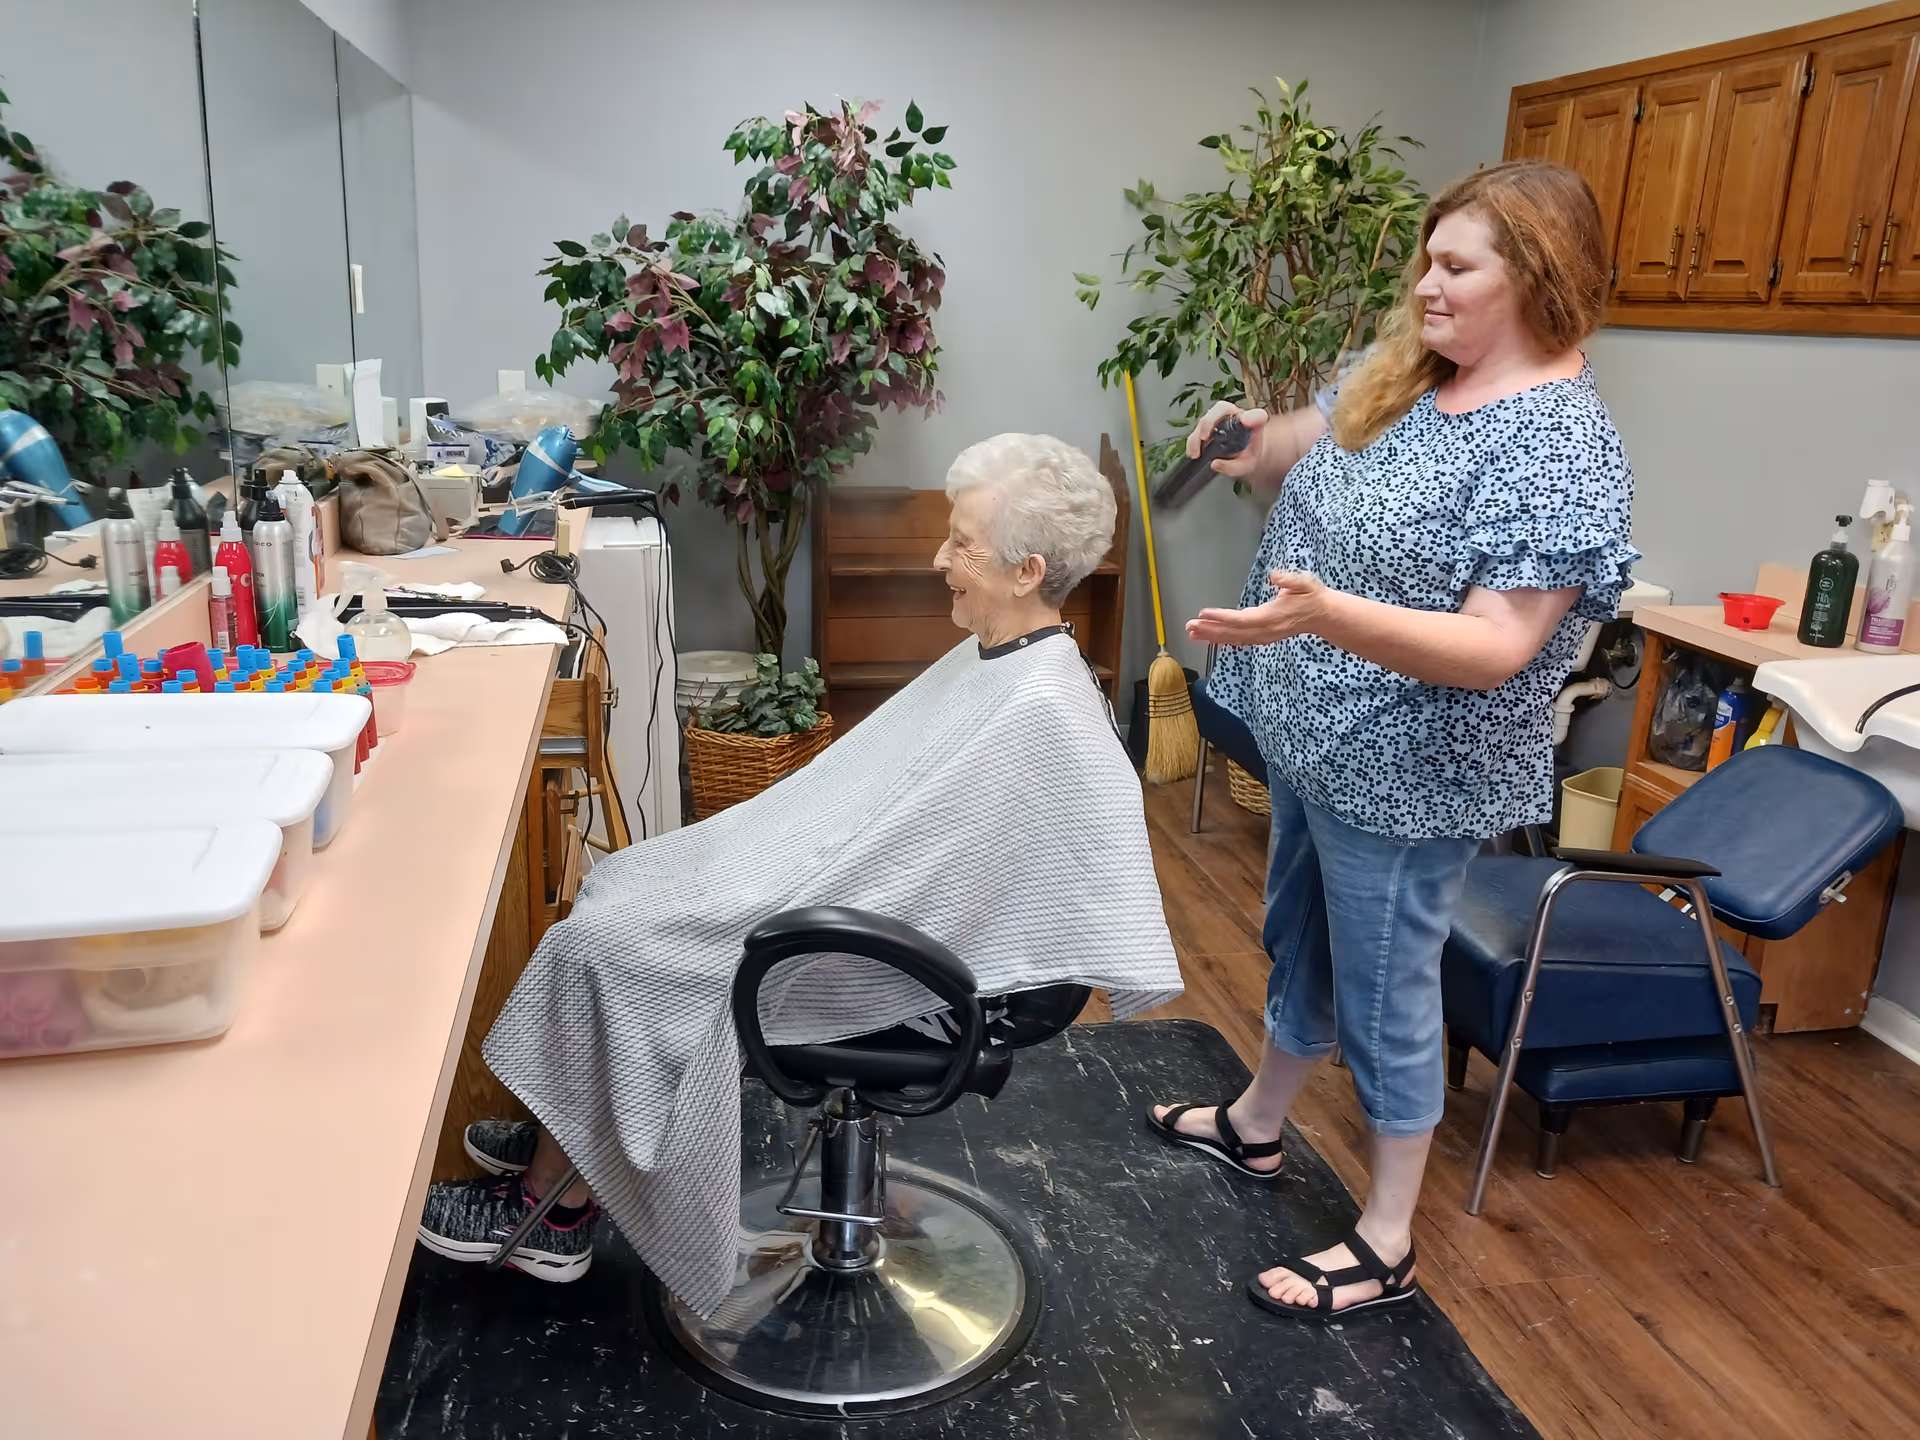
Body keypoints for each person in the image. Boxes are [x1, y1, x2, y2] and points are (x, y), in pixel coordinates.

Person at [417, 433, 1183, 1313]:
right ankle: (578, 1133)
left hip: (914, 976)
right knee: (621, 883)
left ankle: (554, 1221)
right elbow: (872, 817)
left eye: (962, 544)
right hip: (851, 905)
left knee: (612, 945)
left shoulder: (1042, 710)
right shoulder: (1000, 656)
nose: (940, 559)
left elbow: (929, 876)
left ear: (1027, 570)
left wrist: (756, 896)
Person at [1149, 159, 1639, 1320]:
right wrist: (1249, 440)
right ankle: (1258, 1123)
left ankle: (1384, 1239)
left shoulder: (1559, 442)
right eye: (1429, 256)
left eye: (1456, 266)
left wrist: (1323, 614)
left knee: (1385, 990)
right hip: (1318, 736)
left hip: (1416, 776)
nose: (1427, 282)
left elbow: (1495, 648)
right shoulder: (1415, 376)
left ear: (1533, 278)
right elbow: (1303, 444)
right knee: (1300, 938)